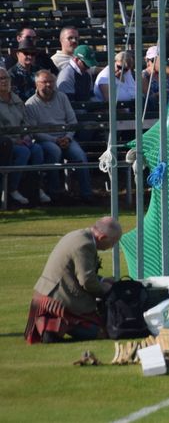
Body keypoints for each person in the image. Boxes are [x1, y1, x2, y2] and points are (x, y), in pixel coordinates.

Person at [25, 216, 122, 344]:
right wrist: (106, 291)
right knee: (103, 331)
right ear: (102, 237)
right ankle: (52, 327)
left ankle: (50, 325)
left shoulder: (77, 235)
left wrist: (103, 279)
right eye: (114, 242)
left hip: (45, 295)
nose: (113, 246)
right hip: (58, 301)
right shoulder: (85, 245)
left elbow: (77, 273)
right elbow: (87, 281)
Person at [25, 70, 93, 204]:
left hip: (66, 137)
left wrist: (68, 137)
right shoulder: (30, 104)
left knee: (80, 156)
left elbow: (72, 121)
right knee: (54, 151)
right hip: (45, 139)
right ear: (36, 84)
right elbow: (34, 131)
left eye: (51, 81)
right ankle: (55, 193)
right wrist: (54, 140)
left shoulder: (62, 97)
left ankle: (87, 194)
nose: (48, 85)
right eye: (44, 82)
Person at [0, 66, 45, 206]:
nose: (4, 81)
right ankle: (12, 189)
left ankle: (35, 188)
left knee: (37, 149)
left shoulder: (16, 99)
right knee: (23, 152)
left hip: (22, 139)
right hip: (6, 142)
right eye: (0, 79)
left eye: (6, 78)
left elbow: (26, 121)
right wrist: (16, 140)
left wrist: (26, 136)